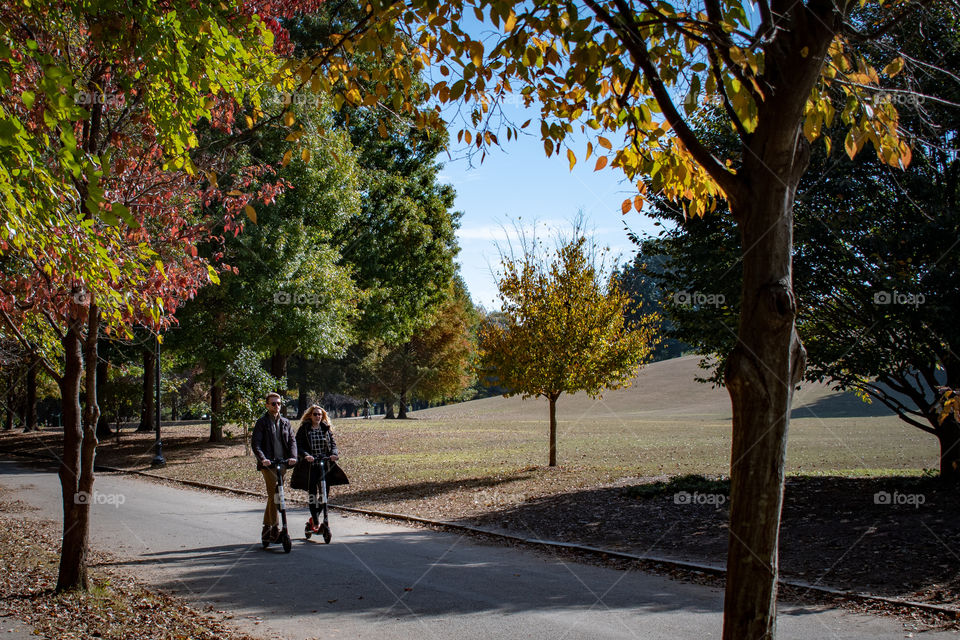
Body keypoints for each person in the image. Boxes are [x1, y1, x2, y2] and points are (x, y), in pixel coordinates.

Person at [251, 392, 297, 541]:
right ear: (267, 405)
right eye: (273, 403)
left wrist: (293, 457)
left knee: (276, 495)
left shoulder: (285, 422)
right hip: (268, 465)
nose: (276, 406)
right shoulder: (262, 423)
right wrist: (263, 459)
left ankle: (267, 528)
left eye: (278, 403)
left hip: (282, 464)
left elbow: (292, 441)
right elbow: (256, 444)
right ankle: (275, 528)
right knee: (274, 495)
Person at [294, 404, 339, 534]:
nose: (318, 416)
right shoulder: (304, 429)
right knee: (313, 495)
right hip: (310, 466)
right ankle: (315, 521)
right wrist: (306, 455)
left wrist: (334, 454)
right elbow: (299, 445)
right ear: (310, 416)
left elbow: (333, 445)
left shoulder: (326, 429)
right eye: (315, 414)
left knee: (325, 494)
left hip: (324, 464)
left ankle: (314, 519)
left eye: (320, 414)